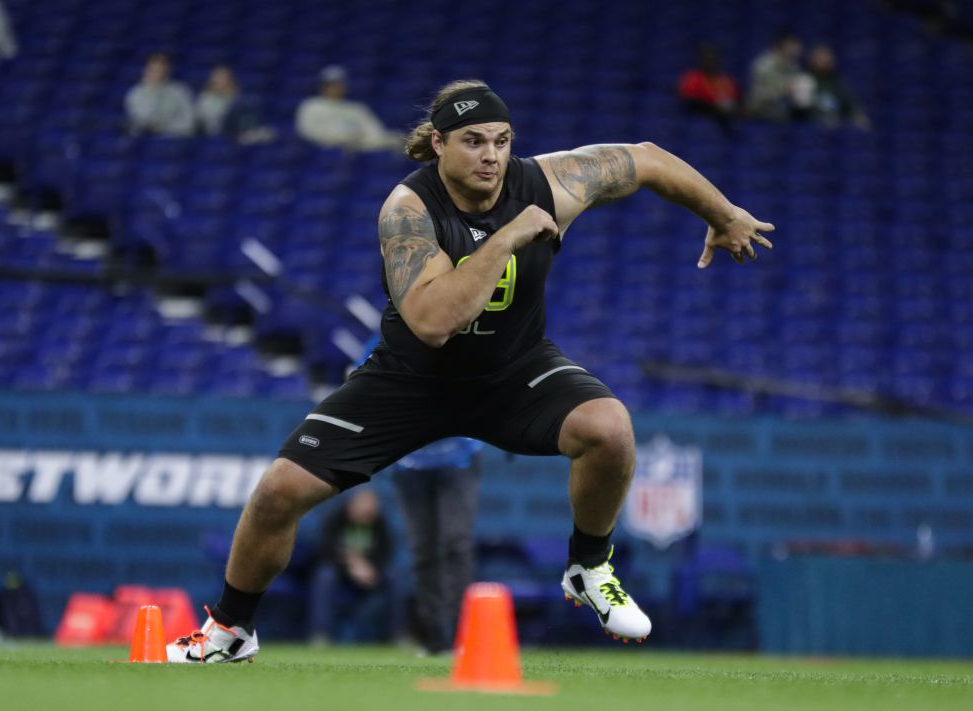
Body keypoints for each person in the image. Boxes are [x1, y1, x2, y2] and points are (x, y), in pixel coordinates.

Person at [166, 79, 774, 663]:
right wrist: (506, 237)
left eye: (502, 140)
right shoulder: (408, 209)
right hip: (411, 380)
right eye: (474, 141)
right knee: (278, 493)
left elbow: (644, 160)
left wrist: (721, 213)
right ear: (439, 144)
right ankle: (229, 631)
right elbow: (433, 321)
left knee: (609, 428)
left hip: (513, 370)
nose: (492, 156)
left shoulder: (551, 181)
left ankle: (588, 565)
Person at [391, 437, 482, 656]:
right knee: (422, 550)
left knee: (456, 544)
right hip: (409, 461)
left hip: (460, 457)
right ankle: (434, 636)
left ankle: (460, 634)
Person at [307, 488, 401, 645]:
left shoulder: (379, 522)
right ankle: (320, 634)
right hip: (342, 572)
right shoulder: (335, 520)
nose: (367, 516)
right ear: (352, 507)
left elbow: (386, 552)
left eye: (370, 512)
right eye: (363, 512)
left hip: (370, 573)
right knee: (324, 575)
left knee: (394, 576)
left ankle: (397, 634)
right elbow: (326, 551)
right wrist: (351, 566)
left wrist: (372, 569)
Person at [295, 65, 400, 151]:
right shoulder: (311, 106)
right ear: (322, 87)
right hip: (323, 154)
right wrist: (341, 138)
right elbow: (307, 132)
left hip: (358, 153)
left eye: (338, 84)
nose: (335, 88)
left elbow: (375, 133)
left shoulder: (356, 108)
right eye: (330, 85)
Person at [195, 64, 276, 143]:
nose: (219, 80)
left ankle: (249, 134)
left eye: (223, 77)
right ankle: (247, 135)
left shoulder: (236, 95)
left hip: (236, 128)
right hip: (219, 130)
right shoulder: (205, 98)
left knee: (250, 103)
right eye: (217, 77)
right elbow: (206, 120)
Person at [124, 53, 195, 137]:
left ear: (168, 71)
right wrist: (152, 91)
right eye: (154, 70)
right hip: (143, 139)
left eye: (161, 70)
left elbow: (189, 122)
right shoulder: (135, 93)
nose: (158, 74)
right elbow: (138, 120)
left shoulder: (180, 91)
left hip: (174, 139)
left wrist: (164, 128)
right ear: (146, 70)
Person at [677, 45, 741, 134]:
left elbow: (737, 99)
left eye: (714, 58)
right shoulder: (693, 77)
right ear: (702, 60)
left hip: (726, 119)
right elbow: (689, 101)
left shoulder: (726, 79)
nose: (711, 62)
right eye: (707, 58)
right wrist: (714, 108)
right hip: (700, 118)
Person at [804, 45, 871, 129]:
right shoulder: (805, 79)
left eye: (828, 59)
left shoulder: (837, 82)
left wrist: (858, 116)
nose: (825, 62)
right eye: (821, 59)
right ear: (813, 61)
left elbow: (850, 102)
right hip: (815, 125)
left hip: (836, 124)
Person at [746, 32, 804, 121]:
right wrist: (784, 90)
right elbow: (759, 94)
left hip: (784, 113)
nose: (796, 50)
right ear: (782, 46)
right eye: (792, 46)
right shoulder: (764, 65)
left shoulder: (795, 67)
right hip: (760, 112)